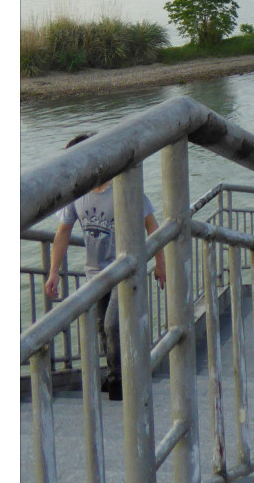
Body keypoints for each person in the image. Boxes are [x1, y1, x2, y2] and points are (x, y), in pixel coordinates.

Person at [44, 133, 166, 401]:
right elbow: (62, 233)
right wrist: (54, 271)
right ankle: (117, 374)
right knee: (102, 328)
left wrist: (160, 263)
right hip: (94, 274)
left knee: (112, 326)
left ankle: (120, 380)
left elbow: (152, 227)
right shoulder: (78, 195)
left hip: (122, 270)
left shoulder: (125, 187)